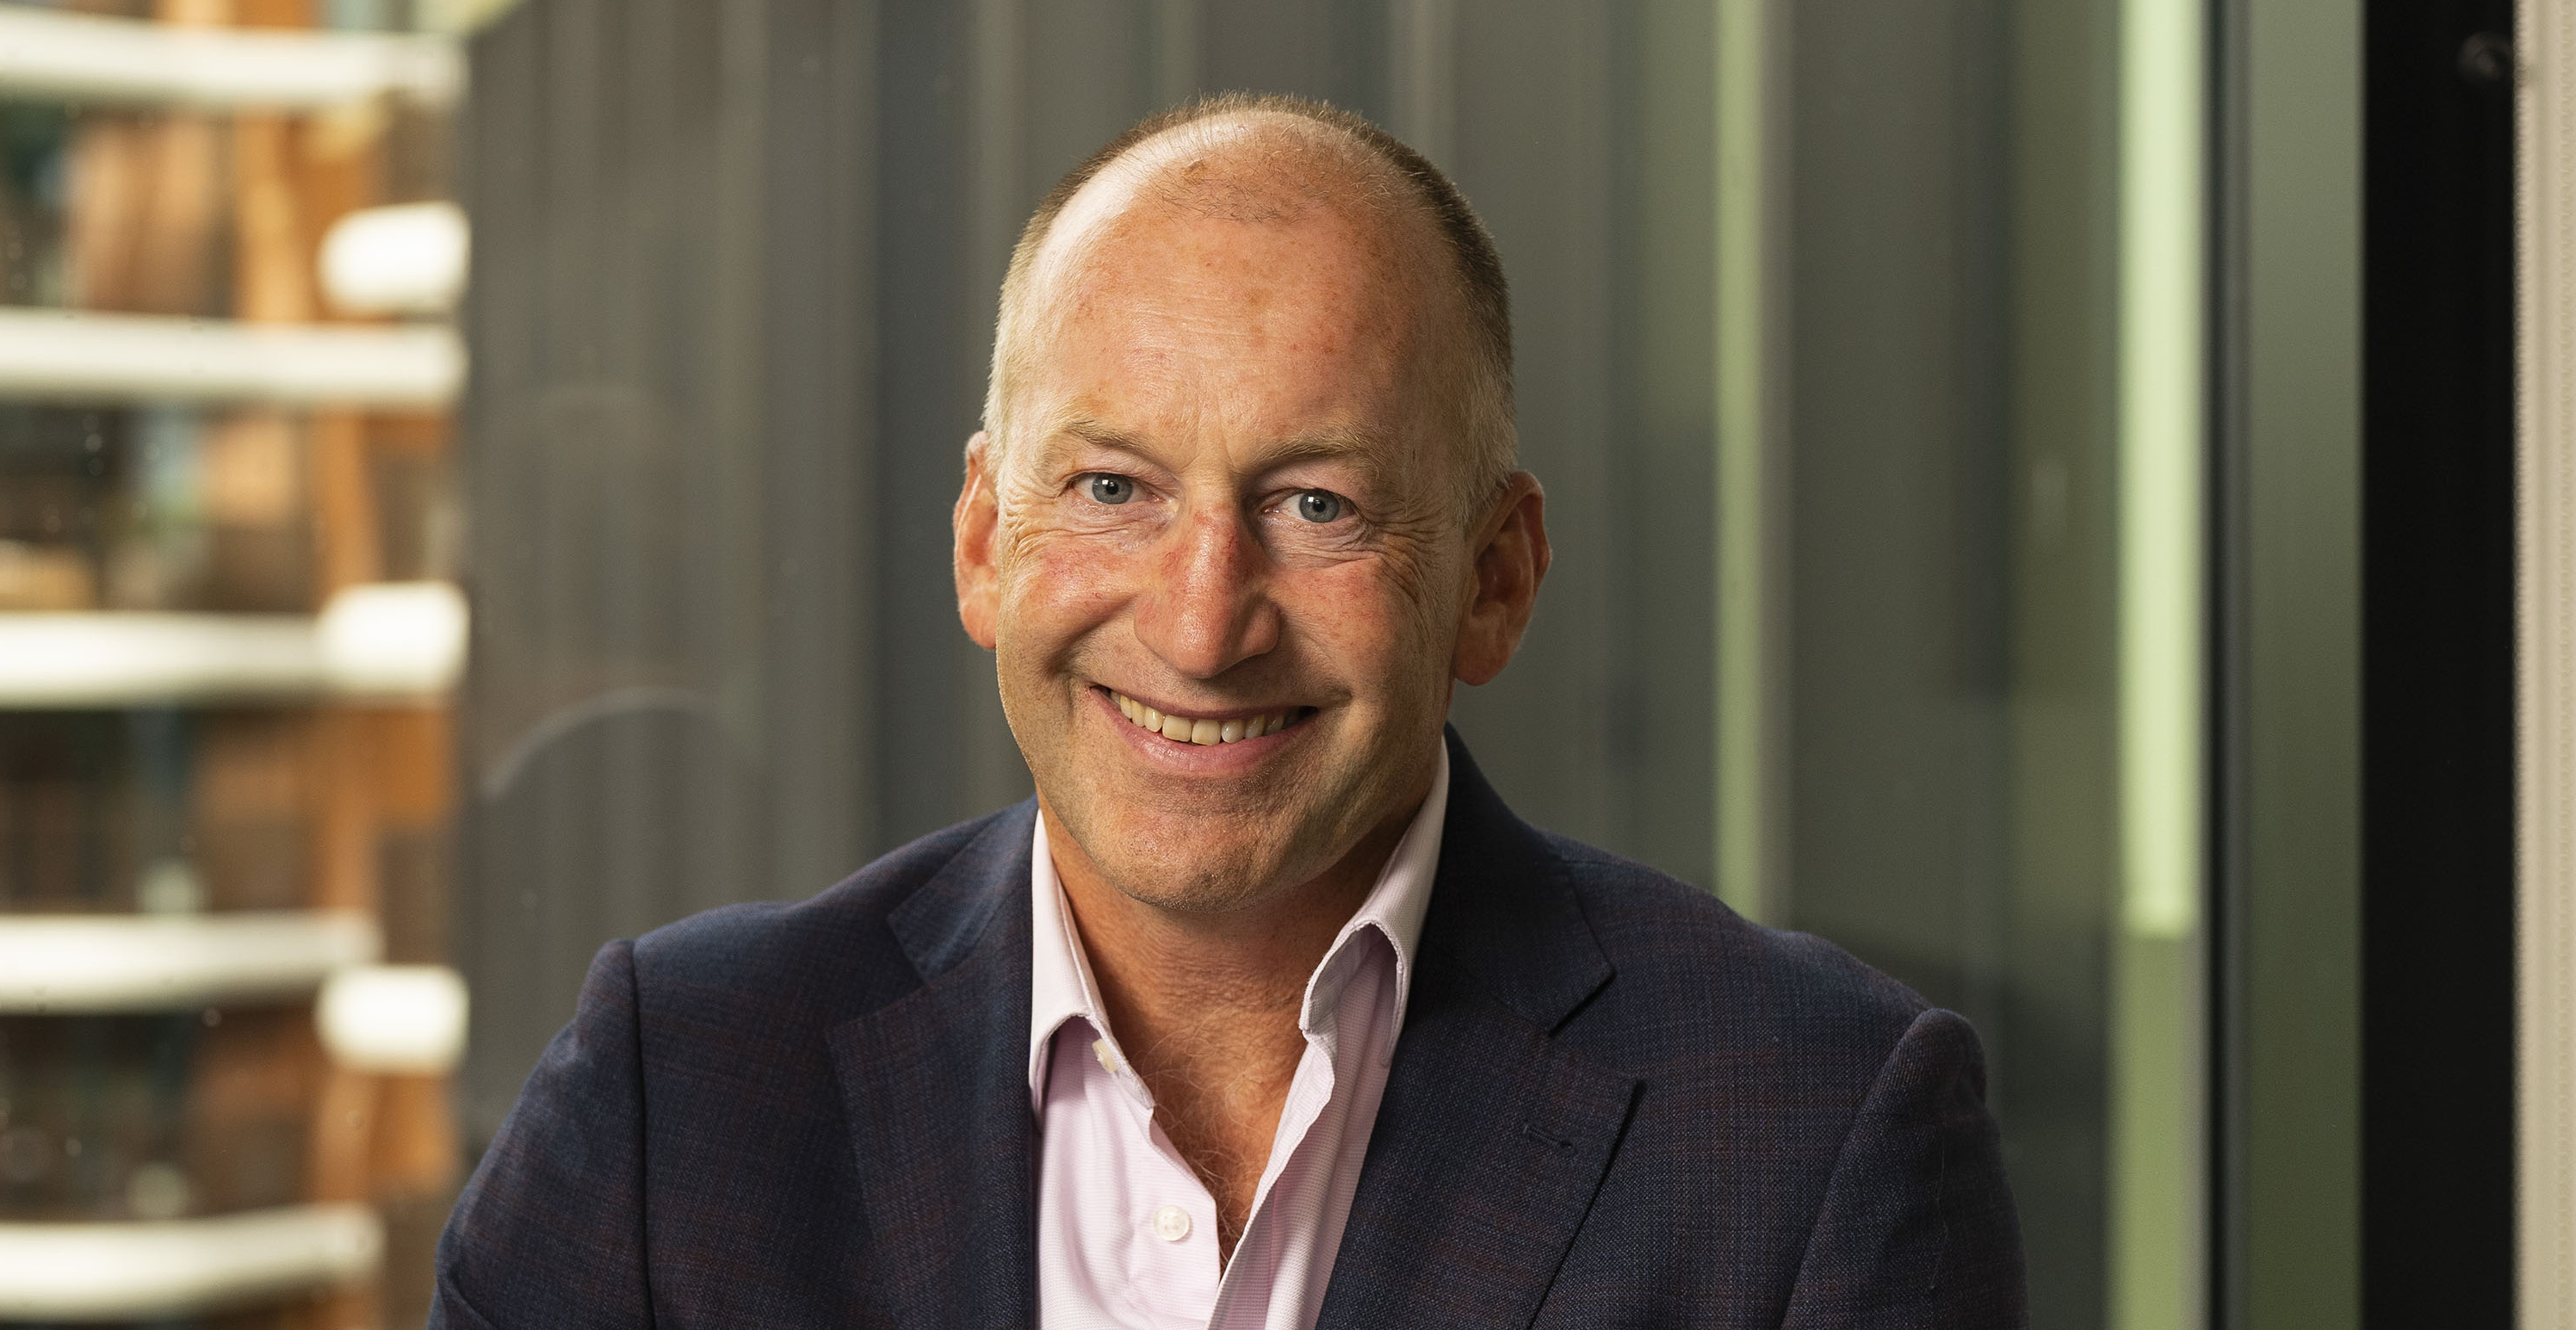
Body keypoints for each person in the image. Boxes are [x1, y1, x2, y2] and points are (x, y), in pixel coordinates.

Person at [430, 94, 2027, 1329]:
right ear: (987, 543)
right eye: (1114, 487)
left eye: (1319, 505)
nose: (1202, 624)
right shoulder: (682, 1094)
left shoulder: (1813, 1136)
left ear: (1495, 580)